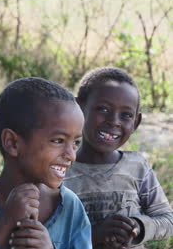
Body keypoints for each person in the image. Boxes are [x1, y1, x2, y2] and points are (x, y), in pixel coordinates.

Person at [0, 77, 92, 249]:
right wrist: (6, 221)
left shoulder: (70, 207)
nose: (71, 155)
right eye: (58, 141)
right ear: (12, 143)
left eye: (76, 143)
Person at [64, 67, 173, 249]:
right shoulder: (61, 167)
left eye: (126, 115)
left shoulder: (137, 167)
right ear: (79, 108)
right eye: (103, 109)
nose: (114, 121)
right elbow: (48, 235)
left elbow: (168, 220)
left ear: (136, 122)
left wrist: (137, 227)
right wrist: (93, 234)